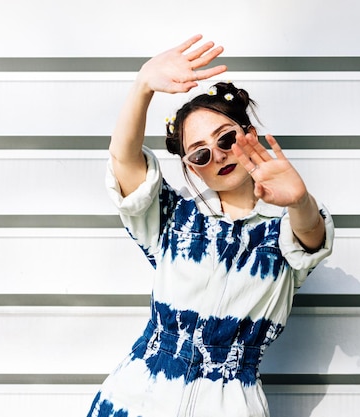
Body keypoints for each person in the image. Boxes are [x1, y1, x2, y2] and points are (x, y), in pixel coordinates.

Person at [87, 35, 334, 417]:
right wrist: (142, 87)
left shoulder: (282, 230)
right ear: (192, 167)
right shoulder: (173, 219)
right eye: (201, 153)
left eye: (227, 138)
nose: (217, 155)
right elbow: (125, 162)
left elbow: (311, 239)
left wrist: (301, 201)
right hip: (135, 400)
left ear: (248, 135)